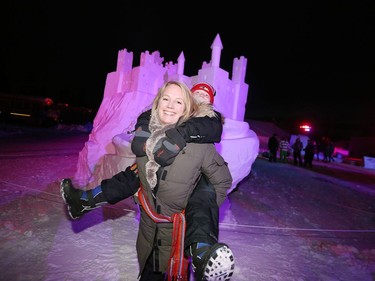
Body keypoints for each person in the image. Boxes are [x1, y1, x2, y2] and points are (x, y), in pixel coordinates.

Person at [61, 81, 234, 281]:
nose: (170, 105)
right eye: (166, 99)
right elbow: (134, 175)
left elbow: (221, 182)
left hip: (178, 238)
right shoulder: (148, 138)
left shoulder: (201, 145)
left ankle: (202, 253)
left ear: (188, 109)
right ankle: (83, 201)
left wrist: (197, 210)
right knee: (130, 176)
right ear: (158, 102)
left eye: (178, 102)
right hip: (148, 234)